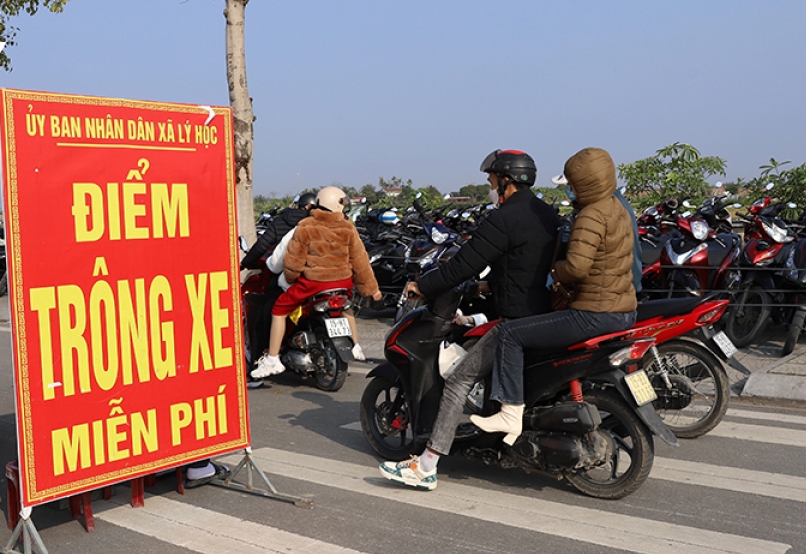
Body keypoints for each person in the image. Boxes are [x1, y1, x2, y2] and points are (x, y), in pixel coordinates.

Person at [378, 149, 559, 490]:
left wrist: (422, 285)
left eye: (491, 179)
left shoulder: (504, 218)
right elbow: (524, 261)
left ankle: (427, 464)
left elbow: (463, 264)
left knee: (460, 378)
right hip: (541, 311)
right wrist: (488, 285)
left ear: (506, 180)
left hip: (516, 318)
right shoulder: (546, 213)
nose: (490, 185)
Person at [470, 147, 637, 443]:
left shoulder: (591, 215)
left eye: (572, 184)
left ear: (585, 183)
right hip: (623, 310)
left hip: (591, 314)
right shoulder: (618, 209)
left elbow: (576, 267)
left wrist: (553, 271)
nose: (570, 191)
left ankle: (510, 411)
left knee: (510, 334)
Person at [249, 186, 381, 379]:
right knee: (347, 307)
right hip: (342, 283)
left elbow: (293, 262)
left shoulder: (306, 226)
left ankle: (272, 359)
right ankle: (356, 346)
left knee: (279, 309)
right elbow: (360, 263)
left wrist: (292, 280)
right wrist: (373, 290)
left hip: (314, 284)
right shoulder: (348, 228)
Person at [241, 192, 318, 384]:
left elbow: (263, 247)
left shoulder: (286, 223)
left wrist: (245, 263)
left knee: (266, 313)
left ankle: (263, 359)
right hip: (324, 279)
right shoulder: (323, 224)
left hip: (287, 279)